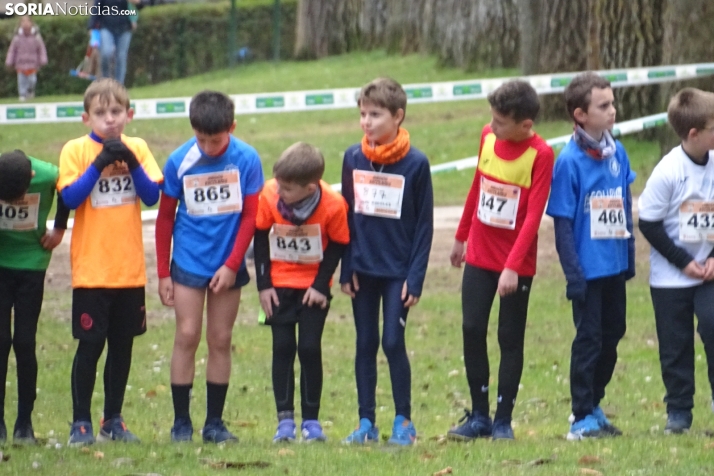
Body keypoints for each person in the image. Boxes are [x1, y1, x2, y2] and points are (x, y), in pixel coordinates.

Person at [57, 78, 163, 446]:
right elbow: (70, 198)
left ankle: (113, 420)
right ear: (87, 118)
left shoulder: (139, 148)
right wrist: (100, 162)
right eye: (101, 113)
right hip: (91, 271)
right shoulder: (75, 150)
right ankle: (80, 422)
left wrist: (129, 160)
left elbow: (151, 195)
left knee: (123, 346)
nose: (110, 119)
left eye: (116, 111)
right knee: (90, 346)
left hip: (129, 270)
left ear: (129, 115)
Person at [447, 80, 554, 441]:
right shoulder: (487, 137)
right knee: (472, 328)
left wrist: (511, 266)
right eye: (491, 118)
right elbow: (478, 186)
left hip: (515, 263)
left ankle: (503, 419)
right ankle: (479, 416)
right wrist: (461, 236)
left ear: (525, 125)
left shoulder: (541, 154)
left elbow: (533, 218)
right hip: (479, 252)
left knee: (510, 337)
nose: (492, 126)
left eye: (500, 121)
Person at [155, 90, 263, 444]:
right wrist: (163, 272)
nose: (207, 146)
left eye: (215, 140)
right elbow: (165, 219)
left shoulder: (247, 159)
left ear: (231, 127)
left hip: (226, 264)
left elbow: (250, 216)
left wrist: (233, 264)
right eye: (200, 138)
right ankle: (181, 422)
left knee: (220, 339)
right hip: (188, 261)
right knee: (186, 335)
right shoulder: (179, 161)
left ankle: (214, 423)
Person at [340, 77, 433, 446]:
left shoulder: (416, 164)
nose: (367, 122)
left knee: (392, 342)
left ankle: (403, 421)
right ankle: (366, 423)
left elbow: (424, 225)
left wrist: (417, 275)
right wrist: (346, 267)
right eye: (363, 114)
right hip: (363, 269)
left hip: (398, 272)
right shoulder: (353, 158)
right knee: (365, 343)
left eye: (375, 115)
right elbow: (345, 217)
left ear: (398, 116)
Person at [546, 72, 635, 440]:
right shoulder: (568, 161)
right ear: (580, 115)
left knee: (614, 333)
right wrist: (574, 275)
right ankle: (580, 415)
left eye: (612, 103)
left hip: (614, 266)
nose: (613, 111)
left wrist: (629, 257)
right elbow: (562, 224)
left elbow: (626, 207)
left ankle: (595, 403)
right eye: (604, 106)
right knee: (589, 340)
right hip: (587, 270)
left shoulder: (618, 153)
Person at [254, 142, 349, 443]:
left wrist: (321, 285)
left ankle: (311, 421)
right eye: (278, 185)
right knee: (282, 347)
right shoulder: (270, 194)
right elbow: (259, 237)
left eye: (288, 189)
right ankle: (284, 421)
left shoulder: (333, 205)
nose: (279, 192)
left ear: (311, 188)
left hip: (313, 288)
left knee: (309, 348)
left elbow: (338, 244)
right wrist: (264, 284)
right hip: (279, 284)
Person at [638, 87, 714, 434]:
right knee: (675, 344)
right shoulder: (668, 171)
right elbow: (649, 223)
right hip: (671, 277)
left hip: (709, 274)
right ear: (694, 134)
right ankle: (679, 411)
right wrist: (683, 261)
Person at [0, 150, 69, 445]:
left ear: (30, 178)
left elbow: (68, 188)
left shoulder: (48, 173)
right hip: (1, 264)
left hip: (32, 264)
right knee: (1, 342)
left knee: (25, 342)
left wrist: (60, 227)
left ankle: (24, 423)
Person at [87, 0, 140, 84]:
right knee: (106, 53)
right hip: (106, 27)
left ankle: (119, 86)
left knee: (121, 57)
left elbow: (140, 5)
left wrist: (137, 3)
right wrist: (91, 26)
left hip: (125, 28)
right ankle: (105, 81)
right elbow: (96, 8)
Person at [5, 16, 47, 101]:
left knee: (32, 80)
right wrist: (9, 61)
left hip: (32, 64)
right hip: (20, 64)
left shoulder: (36, 37)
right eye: (23, 22)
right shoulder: (17, 38)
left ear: (31, 23)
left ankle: (30, 91)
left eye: (27, 21)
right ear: (20, 24)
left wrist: (43, 59)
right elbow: (12, 50)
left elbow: (41, 49)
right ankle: (22, 95)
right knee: (21, 81)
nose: (25, 23)